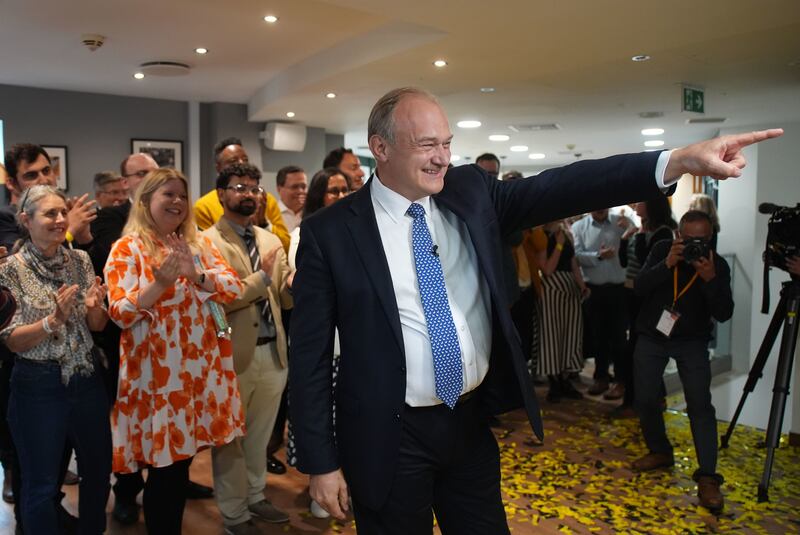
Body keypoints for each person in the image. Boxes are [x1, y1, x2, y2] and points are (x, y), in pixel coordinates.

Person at [288, 85, 779, 534]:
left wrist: (676, 161)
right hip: (386, 434)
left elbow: (564, 186)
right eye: (426, 145)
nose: (442, 158)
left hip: (468, 424)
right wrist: (321, 462)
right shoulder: (331, 233)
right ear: (380, 148)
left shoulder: (469, 191)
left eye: (447, 143)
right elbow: (308, 358)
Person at [105, 168, 245, 534]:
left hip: (197, 375)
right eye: (168, 194)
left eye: (182, 195)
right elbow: (118, 313)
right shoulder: (127, 248)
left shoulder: (197, 245)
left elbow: (232, 288)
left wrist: (197, 276)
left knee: (178, 467)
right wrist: (160, 283)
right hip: (154, 380)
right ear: (146, 200)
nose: (178, 202)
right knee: (165, 472)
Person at [0, 185, 111, 534]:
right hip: (38, 387)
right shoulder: (9, 270)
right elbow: (12, 342)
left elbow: (95, 326)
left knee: (98, 474)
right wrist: (53, 321)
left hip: (87, 379)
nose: (61, 220)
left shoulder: (79, 259)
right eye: (50, 213)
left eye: (62, 212)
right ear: (26, 220)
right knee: (41, 486)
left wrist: (95, 310)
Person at [204, 163, 293, 533]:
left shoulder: (271, 240)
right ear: (222, 194)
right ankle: (234, 513)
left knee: (260, 435)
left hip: (274, 353)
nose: (249, 194)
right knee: (229, 441)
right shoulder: (206, 241)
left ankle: (256, 496)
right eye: (239, 187)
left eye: (255, 188)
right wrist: (261, 277)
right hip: (230, 355)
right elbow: (218, 301)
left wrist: (295, 283)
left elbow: (284, 300)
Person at [632, 210, 734, 512]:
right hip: (652, 336)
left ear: (711, 237)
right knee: (646, 399)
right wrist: (667, 264)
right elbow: (639, 288)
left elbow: (724, 312)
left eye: (702, 240)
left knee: (700, 405)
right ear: (679, 235)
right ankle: (660, 451)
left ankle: (707, 477)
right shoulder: (664, 250)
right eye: (689, 240)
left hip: (692, 341)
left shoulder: (718, 264)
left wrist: (710, 279)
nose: (695, 246)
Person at [571, 208, 631, 398]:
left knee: (619, 338)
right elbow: (576, 256)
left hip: (619, 289)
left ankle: (621, 381)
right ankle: (601, 377)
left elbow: (632, 245)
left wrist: (630, 227)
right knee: (597, 337)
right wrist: (598, 255)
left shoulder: (621, 222)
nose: (600, 208)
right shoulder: (578, 227)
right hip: (593, 290)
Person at [194, 137, 290, 251]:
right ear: (218, 167)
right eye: (233, 161)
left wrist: (264, 225)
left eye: (245, 159)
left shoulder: (265, 199)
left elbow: (286, 247)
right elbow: (207, 251)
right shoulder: (203, 206)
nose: (241, 164)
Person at [536, 220, 589, 402]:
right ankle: (554, 381)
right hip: (551, 289)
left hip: (570, 289)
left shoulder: (566, 234)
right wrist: (559, 243)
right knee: (552, 335)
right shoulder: (541, 235)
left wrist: (582, 286)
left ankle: (565, 378)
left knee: (570, 334)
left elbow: (574, 265)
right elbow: (548, 269)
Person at [288, 168, 350, 269]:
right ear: (318, 195)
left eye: (345, 190)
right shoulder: (300, 236)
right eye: (334, 191)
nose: (342, 196)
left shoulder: (353, 230)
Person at [275, 165, 307, 233]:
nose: (300, 191)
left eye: (303, 187)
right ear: (279, 189)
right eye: (294, 187)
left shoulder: (313, 213)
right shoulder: (271, 216)